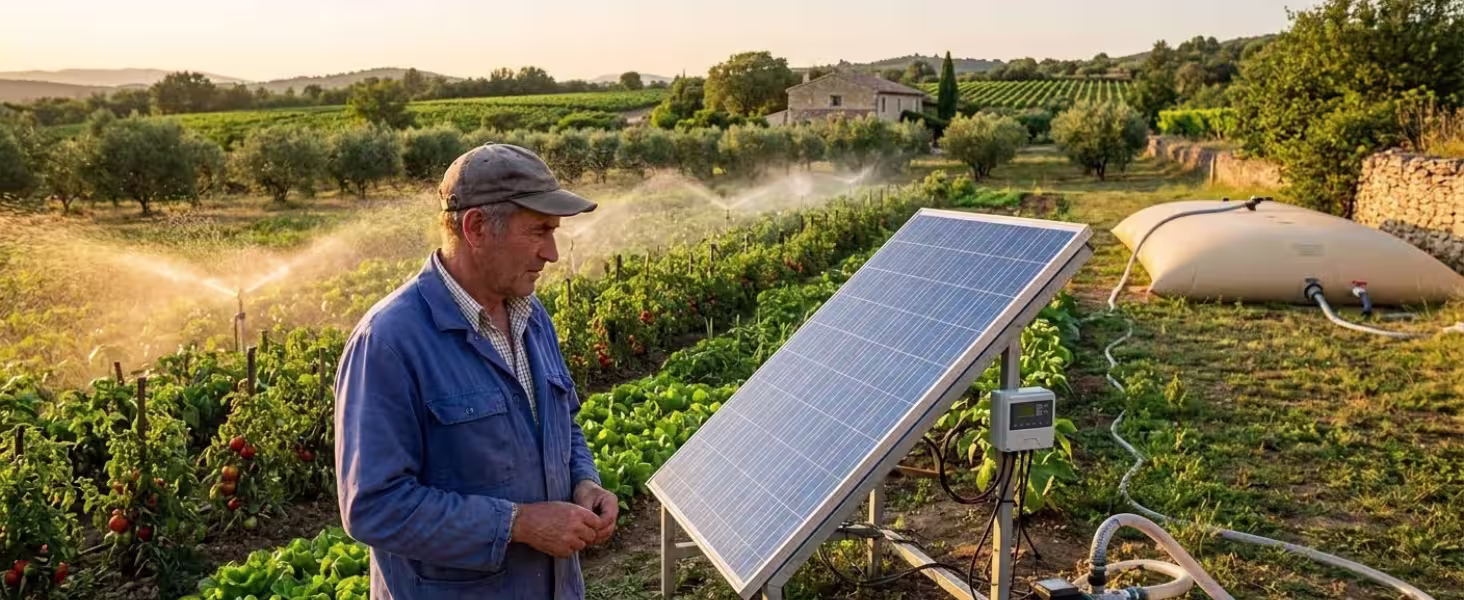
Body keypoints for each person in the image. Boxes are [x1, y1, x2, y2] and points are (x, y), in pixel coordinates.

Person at [334, 143, 618, 599]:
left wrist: (583, 482)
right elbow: (373, 506)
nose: (552, 253)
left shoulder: (530, 315)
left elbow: (564, 422)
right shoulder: (388, 342)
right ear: (477, 227)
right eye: (539, 231)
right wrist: (517, 525)